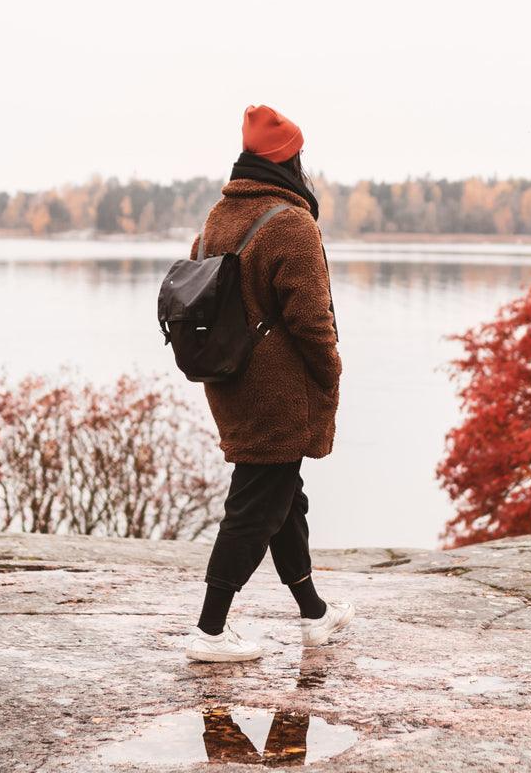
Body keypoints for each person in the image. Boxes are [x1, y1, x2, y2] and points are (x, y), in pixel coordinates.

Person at [184, 104, 353, 662]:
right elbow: (311, 319)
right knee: (255, 505)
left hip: (229, 380)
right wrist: (330, 372)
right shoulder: (291, 223)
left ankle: (315, 614)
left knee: (284, 497)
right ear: (291, 160)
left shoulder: (218, 217)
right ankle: (209, 631)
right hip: (279, 391)